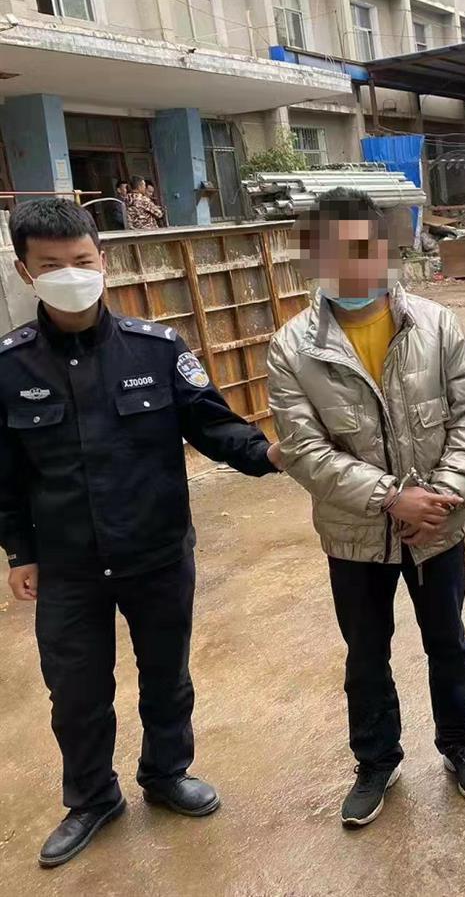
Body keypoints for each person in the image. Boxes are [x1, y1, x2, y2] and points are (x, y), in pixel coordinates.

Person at [0, 199, 284, 868]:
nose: (71, 275)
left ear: (103, 261)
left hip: (155, 552)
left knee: (166, 675)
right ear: (25, 271)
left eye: (82, 260)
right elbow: (6, 474)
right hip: (68, 565)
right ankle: (92, 798)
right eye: (52, 265)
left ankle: (165, 773)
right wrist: (19, 552)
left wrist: (270, 453)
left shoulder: (156, 349)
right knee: (76, 692)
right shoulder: (9, 368)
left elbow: (213, 424)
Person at [267, 188, 465, 827]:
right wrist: (391, 498)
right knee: (366, 654)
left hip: (437, 529)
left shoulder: (437, 326)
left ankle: (460, 745)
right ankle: (375, 761)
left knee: (447, 642)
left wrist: (440, 500)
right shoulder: (292, 348)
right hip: (354, 535)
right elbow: (304, 448)